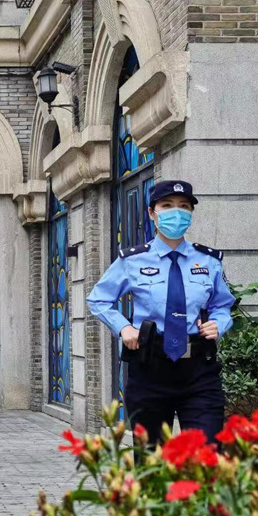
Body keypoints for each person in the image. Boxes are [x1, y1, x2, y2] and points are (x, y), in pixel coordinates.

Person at [87, 180, 235, 446]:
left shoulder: (209, 261)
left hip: (199, 369)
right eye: (167, 206)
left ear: (191, 214)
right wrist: (124, 327)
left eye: (184, 207)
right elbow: (99, 299)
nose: (176, 212)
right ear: (152, 213)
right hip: (149, 368)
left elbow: (222, 304)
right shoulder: (132, 261)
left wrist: (218, 323)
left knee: (207, 456)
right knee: (150, 460)